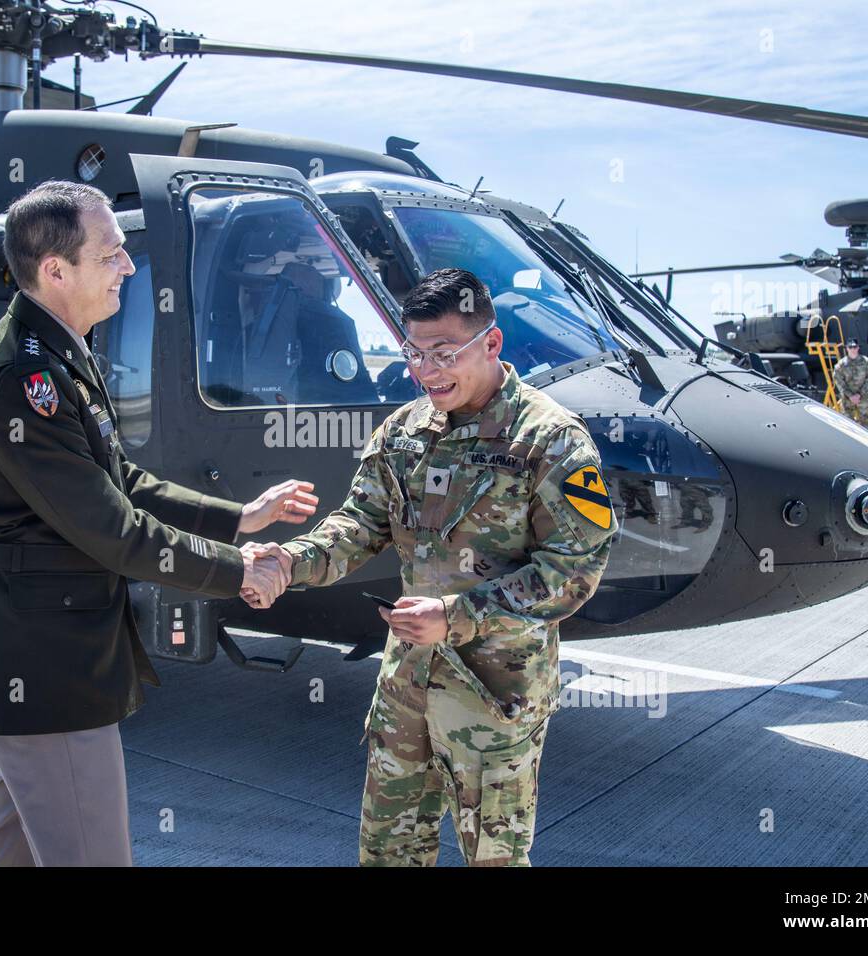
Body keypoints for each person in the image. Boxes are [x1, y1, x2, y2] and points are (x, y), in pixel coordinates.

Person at [0, 180, 315, 866]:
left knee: (12, 853)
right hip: (46, 666)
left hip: (32, 657)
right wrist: (240, 571)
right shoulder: (26, 385)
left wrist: (238, 520)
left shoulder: (58, 356)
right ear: (56, 270)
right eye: (112, 253)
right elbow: (114, 529)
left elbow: (122, 482)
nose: (127, 265)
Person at [242, 269, 616, 866]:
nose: (425, 370)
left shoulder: (550, 439)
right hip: (407, 684)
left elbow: (577, 568)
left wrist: (459, 616)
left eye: (443, 354)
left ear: (491, 344)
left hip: (495, 693)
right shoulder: (404, 432)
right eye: (412, 353)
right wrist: (291, 560)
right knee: (387, 852)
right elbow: (360, 526)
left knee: (493, 858)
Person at [832, 339, 868, 430]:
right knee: (847, 425)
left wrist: (859, 395)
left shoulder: (866, 362)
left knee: (865, 425)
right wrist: (851, 395)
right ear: (847, 349)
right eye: (850, 347)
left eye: (854, 347)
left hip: (863, 398)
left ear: (858, 347)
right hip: (847, 399)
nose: (852, 349)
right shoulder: (841, 364)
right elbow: (838, 381)